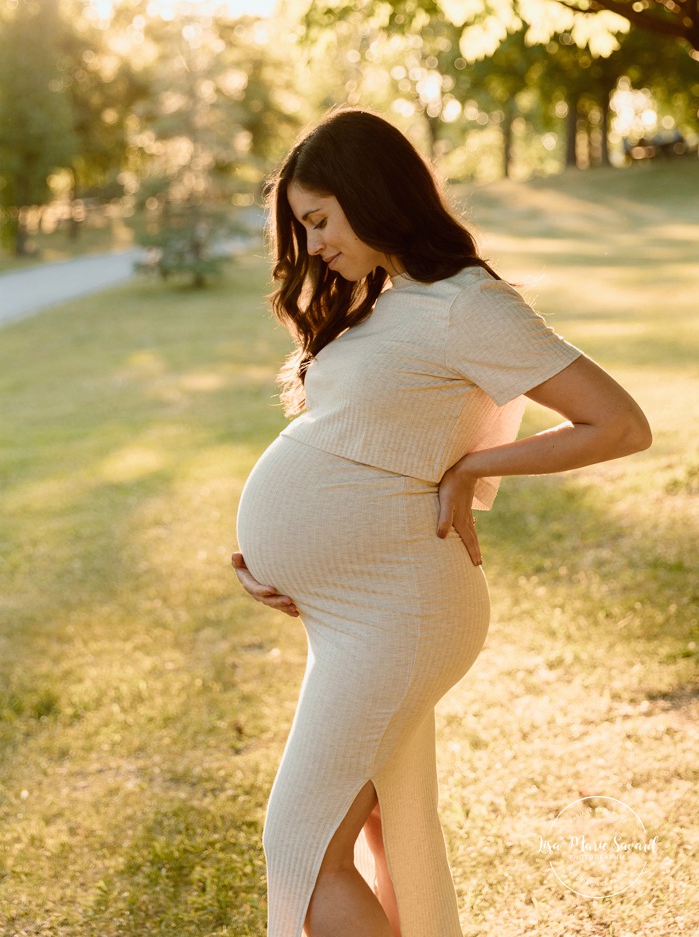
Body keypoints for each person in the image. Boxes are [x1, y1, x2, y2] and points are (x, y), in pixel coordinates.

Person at [232, 107, 652, 937]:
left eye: (320, 220)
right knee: (394, 829)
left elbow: (619, 423)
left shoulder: (468, 304)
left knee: (302, 845)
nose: (312, 245)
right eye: (302, 227)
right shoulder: (384, 301)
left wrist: (475, 467)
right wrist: (288, 570)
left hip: (402, 612)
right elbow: (358, 442)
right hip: (361, 608)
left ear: (372, 193)